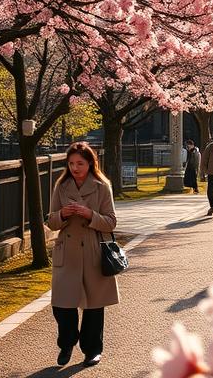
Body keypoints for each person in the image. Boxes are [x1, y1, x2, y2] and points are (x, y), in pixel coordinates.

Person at [47, 142, 118, 368]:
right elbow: (51, 222)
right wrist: (63, 214)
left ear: (90, 163)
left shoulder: (101, 186)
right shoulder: (62, 186)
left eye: (80, 163)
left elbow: (111, 222)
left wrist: (90, 215)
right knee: (61, 305)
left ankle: (92, 350)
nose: (75, 167)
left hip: (93, 250)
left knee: (93, 306)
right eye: (71, 163)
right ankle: (67, 343)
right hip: (67, 253)